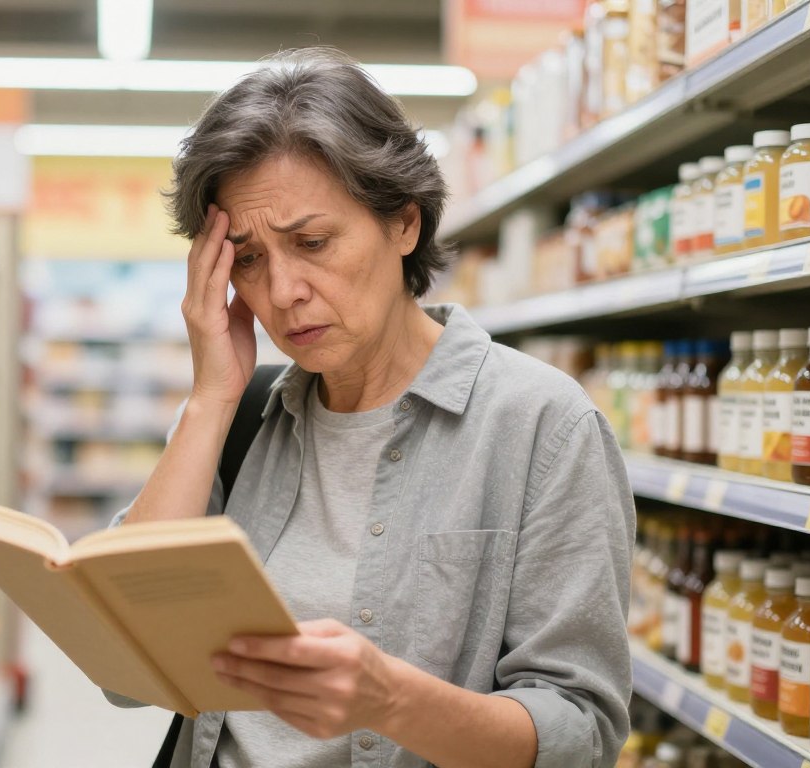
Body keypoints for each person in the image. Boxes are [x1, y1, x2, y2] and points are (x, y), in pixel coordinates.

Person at [108, 48, 634, 768]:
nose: (283, 291)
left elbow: (580, 732)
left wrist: (391, 700)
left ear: (403, 224)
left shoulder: (542, 426)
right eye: (250, 259)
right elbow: (125, 673)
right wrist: (209, 397)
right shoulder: (236, 420)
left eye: (313, 242)